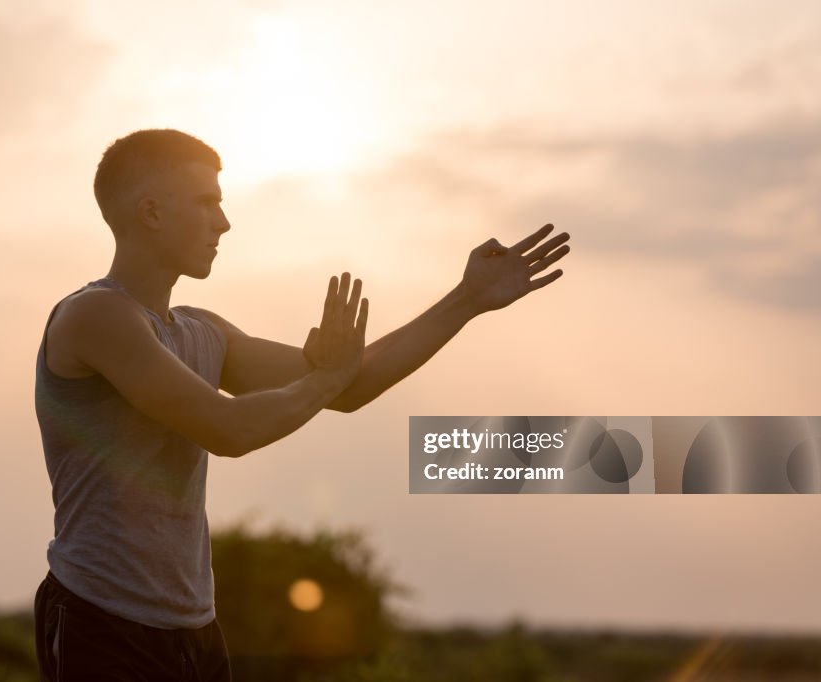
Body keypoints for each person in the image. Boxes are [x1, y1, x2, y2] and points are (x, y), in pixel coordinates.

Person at [33, 128, 570, 680]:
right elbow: (229, 429)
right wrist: (326, 378)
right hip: (100, 620)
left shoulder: (204, 332)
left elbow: (350, 388)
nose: (223, 222)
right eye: (207, 202)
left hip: (193, 629)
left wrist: (469, 299)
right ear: (151, 212)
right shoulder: (95, 317)